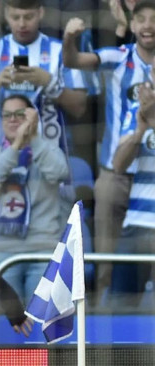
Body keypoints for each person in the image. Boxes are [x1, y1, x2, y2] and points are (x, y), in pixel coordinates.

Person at [64, 1, 155, 301]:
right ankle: (104, 336)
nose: (147, 26)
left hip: (151, 180)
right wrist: (69, 38)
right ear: (132, 25)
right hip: (114, 177)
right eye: (141, 19)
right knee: (106, 264)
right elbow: (75, 61)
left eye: (153, 20)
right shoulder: (118, 57)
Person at [0, 95, 71, 300]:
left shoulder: (48, 150)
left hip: (43, 250)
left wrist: (33, 137)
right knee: (5, 322)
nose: (13, 120)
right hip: (2, 250)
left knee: (41, 323)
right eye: (7, 115)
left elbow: (59, 172)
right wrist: (17, 145)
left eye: (20, 115)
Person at [0, 0, 89, 156]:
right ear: (6, 15)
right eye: (15, 17)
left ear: (41, 13)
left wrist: (49, 83)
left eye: (28, 17)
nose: (22, 24)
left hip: (48, 159)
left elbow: (80, 108)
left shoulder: (60, 52)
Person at [108, 81, 155, 305]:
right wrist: (139, 132)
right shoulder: (138, 109)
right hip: (136, 223)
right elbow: (118, 164)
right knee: (119, 306)